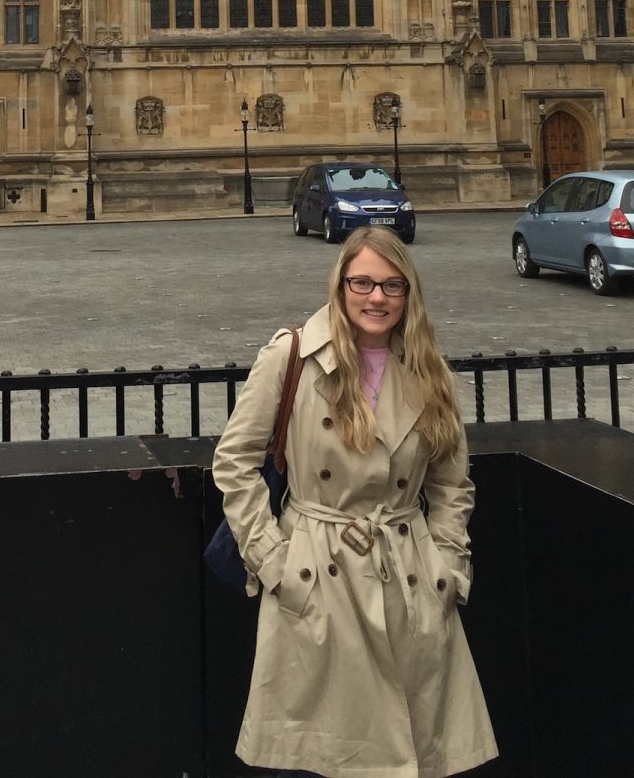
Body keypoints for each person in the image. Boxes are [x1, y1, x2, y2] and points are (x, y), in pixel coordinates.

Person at [213, 227, 497, 777]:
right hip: (317, 576)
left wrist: (447, 566)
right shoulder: (292, 355)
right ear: (340, 285)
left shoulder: (428, 369)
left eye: (392, 285)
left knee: (411, 753)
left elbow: (451, 485)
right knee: (327, 758)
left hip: (409, 577)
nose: (377, 298)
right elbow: (234, 460)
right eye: (363, 282)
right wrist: (275, 562)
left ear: (408, 294)